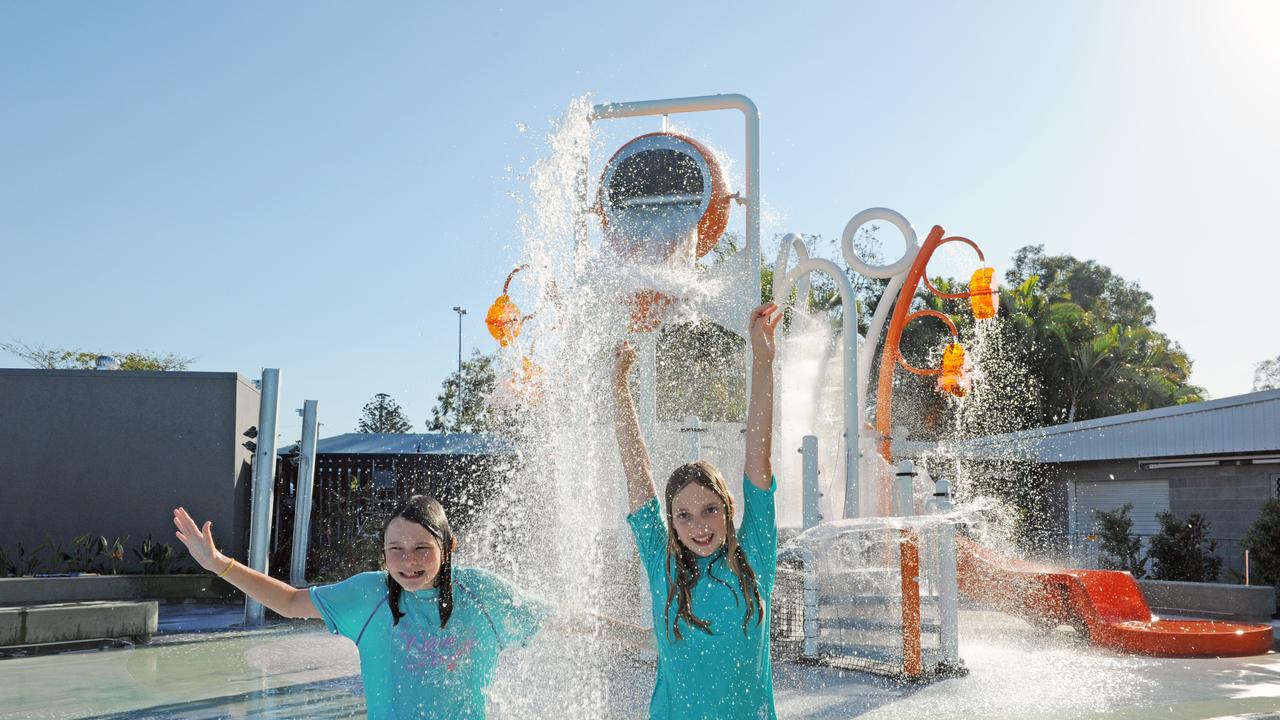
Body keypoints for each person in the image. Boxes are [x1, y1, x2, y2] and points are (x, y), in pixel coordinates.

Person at [173, 494, 548, 720]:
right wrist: (219, 564)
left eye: (422, 548)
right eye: (395, 550)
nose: (408, 561)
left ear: (449, 548)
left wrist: (607, 628)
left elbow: (551, 616)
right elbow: (289, 602)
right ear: (383, 553)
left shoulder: (481, 593)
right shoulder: (371, 594)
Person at [612, 301, 782, 720]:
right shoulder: (661, 560)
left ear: (728, 509)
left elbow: (758, 458)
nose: (699, 526)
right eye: (683, 516)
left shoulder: (755, 553)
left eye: (709, 510)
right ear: (670, 522)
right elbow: (638, 470)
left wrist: (762, 359)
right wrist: (619, 387)